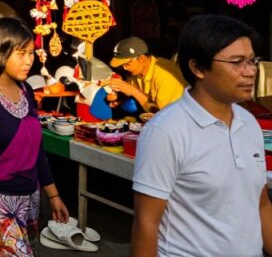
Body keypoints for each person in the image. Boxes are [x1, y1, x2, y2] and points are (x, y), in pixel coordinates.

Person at [131, 15, 272, 257]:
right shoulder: (166, 131)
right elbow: (147, 223)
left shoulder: (249, 124)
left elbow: (261, 205)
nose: (250, 72)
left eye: (252, 61)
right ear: (197, 68)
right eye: (237, 62)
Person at [0, 16, 68, 256]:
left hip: (30, 197)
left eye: (31, 53)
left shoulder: (26, 90)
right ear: (0, 51)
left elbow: (36, 150)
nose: (29, 61)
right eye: (21, 53)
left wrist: (53, 195)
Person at [108, 36, 186, 112]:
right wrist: (119, 98)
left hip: (177, 117)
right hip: (154, 113)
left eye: (127, 64)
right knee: (128, 105)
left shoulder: (165, 75)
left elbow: (165, 115)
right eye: (122, 65)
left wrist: (134, 92)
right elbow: (132, 93)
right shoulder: (136, 72)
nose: (125, 68)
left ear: (142, 59)